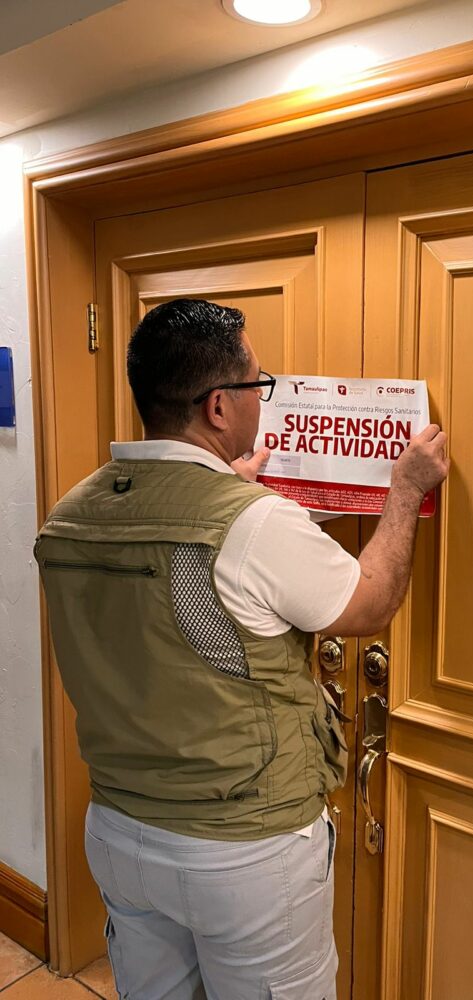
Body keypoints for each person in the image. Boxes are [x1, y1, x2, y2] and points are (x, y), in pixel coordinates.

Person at [34, 298, 449, 1000]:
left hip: (120, 833)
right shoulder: (253, 525)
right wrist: (405, 489)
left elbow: (165, 605)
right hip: (242, 850)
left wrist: (233, 494)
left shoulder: (69, 515)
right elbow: (371, 602)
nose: (265, 399)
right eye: (260, 384)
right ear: (220, 407)